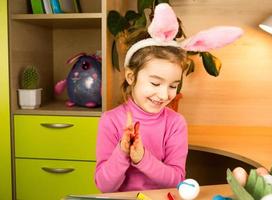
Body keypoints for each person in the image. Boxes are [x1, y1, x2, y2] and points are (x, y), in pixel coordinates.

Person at [95, 3, 243, 193]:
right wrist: (122, 152)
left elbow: (176, 180)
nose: (165, 95)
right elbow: (104, 186)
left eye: (173, 86)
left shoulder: (176, 123)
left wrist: (142, 158)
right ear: (131, 77)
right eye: (155, 84)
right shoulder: (110, 121)